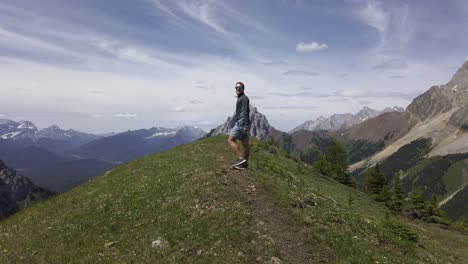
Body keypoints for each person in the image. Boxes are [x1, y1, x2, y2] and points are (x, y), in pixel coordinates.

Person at [228, 81, 251, 169]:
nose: (237, 89)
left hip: (242, 123)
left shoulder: (244, 98)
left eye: (239, 87)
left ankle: (241, 159)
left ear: (243, 88)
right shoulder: (241, 98)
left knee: (230, 140)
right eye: (236, 87)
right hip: (245, 123)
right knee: (245, 144)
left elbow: (245, 111)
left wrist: (244, 125)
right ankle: (245, 164)